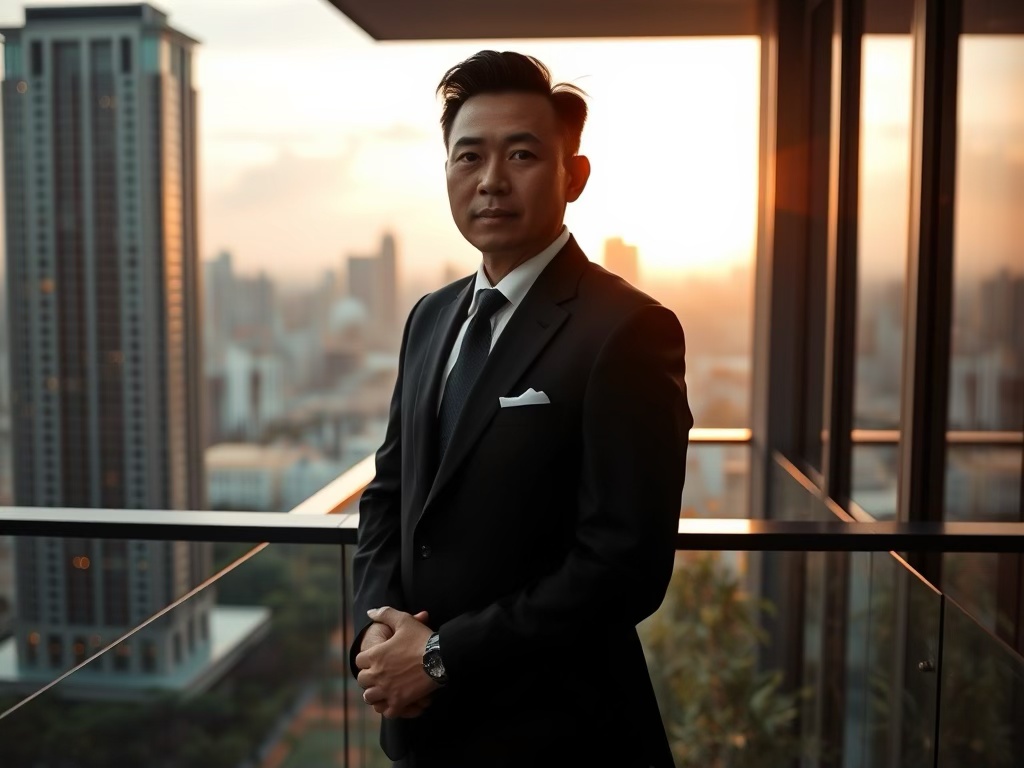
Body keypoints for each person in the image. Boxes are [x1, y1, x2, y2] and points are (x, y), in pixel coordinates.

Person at [352, 50, 692, 767]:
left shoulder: (626, 329)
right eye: (468, 156)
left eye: (523, 155)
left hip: (558, 734)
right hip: (423, 727)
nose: (491, 180)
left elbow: (623, 565)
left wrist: (441, 655)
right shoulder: (431, 316)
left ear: (574, 176)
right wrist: (379, 636)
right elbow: (388, 495)